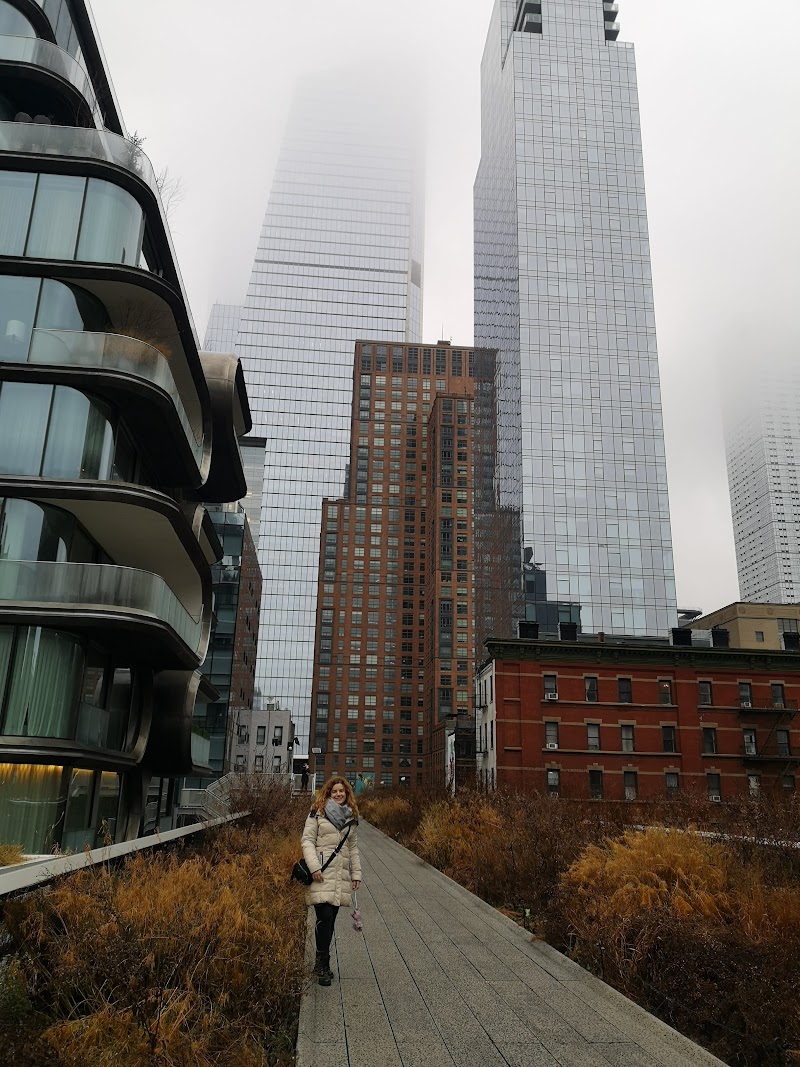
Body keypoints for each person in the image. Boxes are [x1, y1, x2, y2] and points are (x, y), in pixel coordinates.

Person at [300, 776, 361, 986]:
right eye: (334, 791)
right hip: (321, 872)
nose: (338, 794)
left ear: (346, 794)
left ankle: (321, 961)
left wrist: (356, 874)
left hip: (340, 875)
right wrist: (314, 866)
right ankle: (323, 964)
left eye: (341, 792)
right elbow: (307, 840)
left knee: (330, 919)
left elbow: (352, 848)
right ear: (328, 793)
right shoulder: (317, 812)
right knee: (324, 916)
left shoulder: (351, 817)